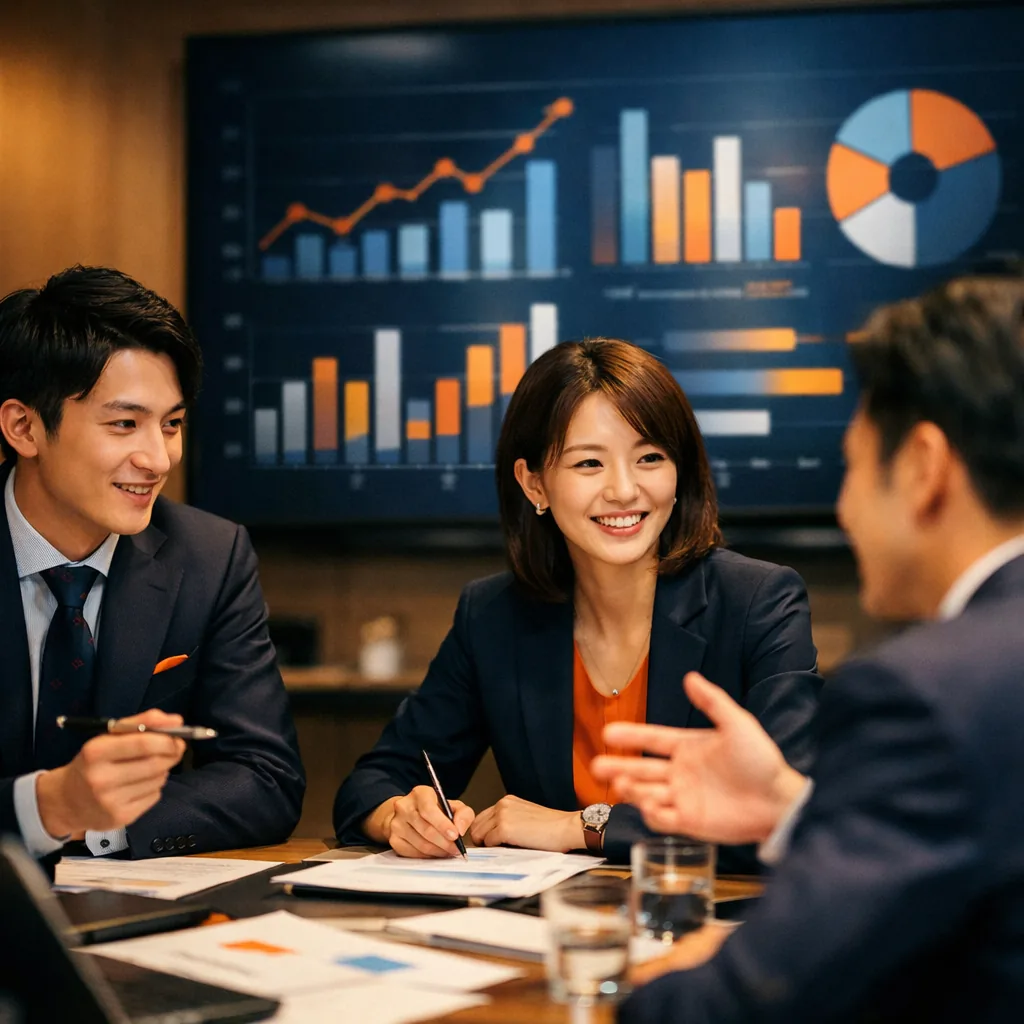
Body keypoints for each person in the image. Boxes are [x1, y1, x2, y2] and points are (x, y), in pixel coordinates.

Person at [594, 275, 1024, 1022]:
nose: (843, 508)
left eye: (853, 467)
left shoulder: (927, 693)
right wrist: (792, 807)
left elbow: (754, 999)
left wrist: (636, 985)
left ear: (923, 469)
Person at [333, 338, 822, 867]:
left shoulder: (759, 603)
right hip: (545, 929)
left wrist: (582, 827)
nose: (624, 489)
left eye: (650, 457)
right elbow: (374, 780)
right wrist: (399, 816)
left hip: (703, 920)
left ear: (680, 472)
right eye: (589, 463)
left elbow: (791, 814)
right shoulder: (493, 616)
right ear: (535, 484)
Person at [0, 265, 305, 861]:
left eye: (171, 425)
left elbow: (265, 776)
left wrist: (99, 822)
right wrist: (49, 807)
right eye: (124, 424)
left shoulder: (210, 556)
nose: (158, 458)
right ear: (23, 426)